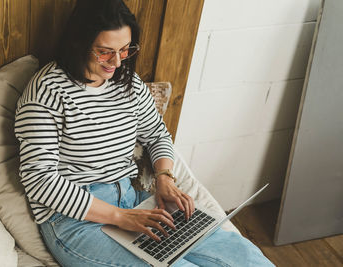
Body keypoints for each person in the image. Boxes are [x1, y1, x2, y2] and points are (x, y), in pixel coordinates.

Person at [14, 0, 275, 266]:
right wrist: (120, 217)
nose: (116, 62)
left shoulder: (127, 82)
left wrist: (164, 178)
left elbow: (157, 135)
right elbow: (40, 180)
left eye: (125, 50)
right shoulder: (46, 94)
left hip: (132, 201)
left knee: (246, 256)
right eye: (105, 52)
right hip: (76, 222)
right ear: (79, 43)